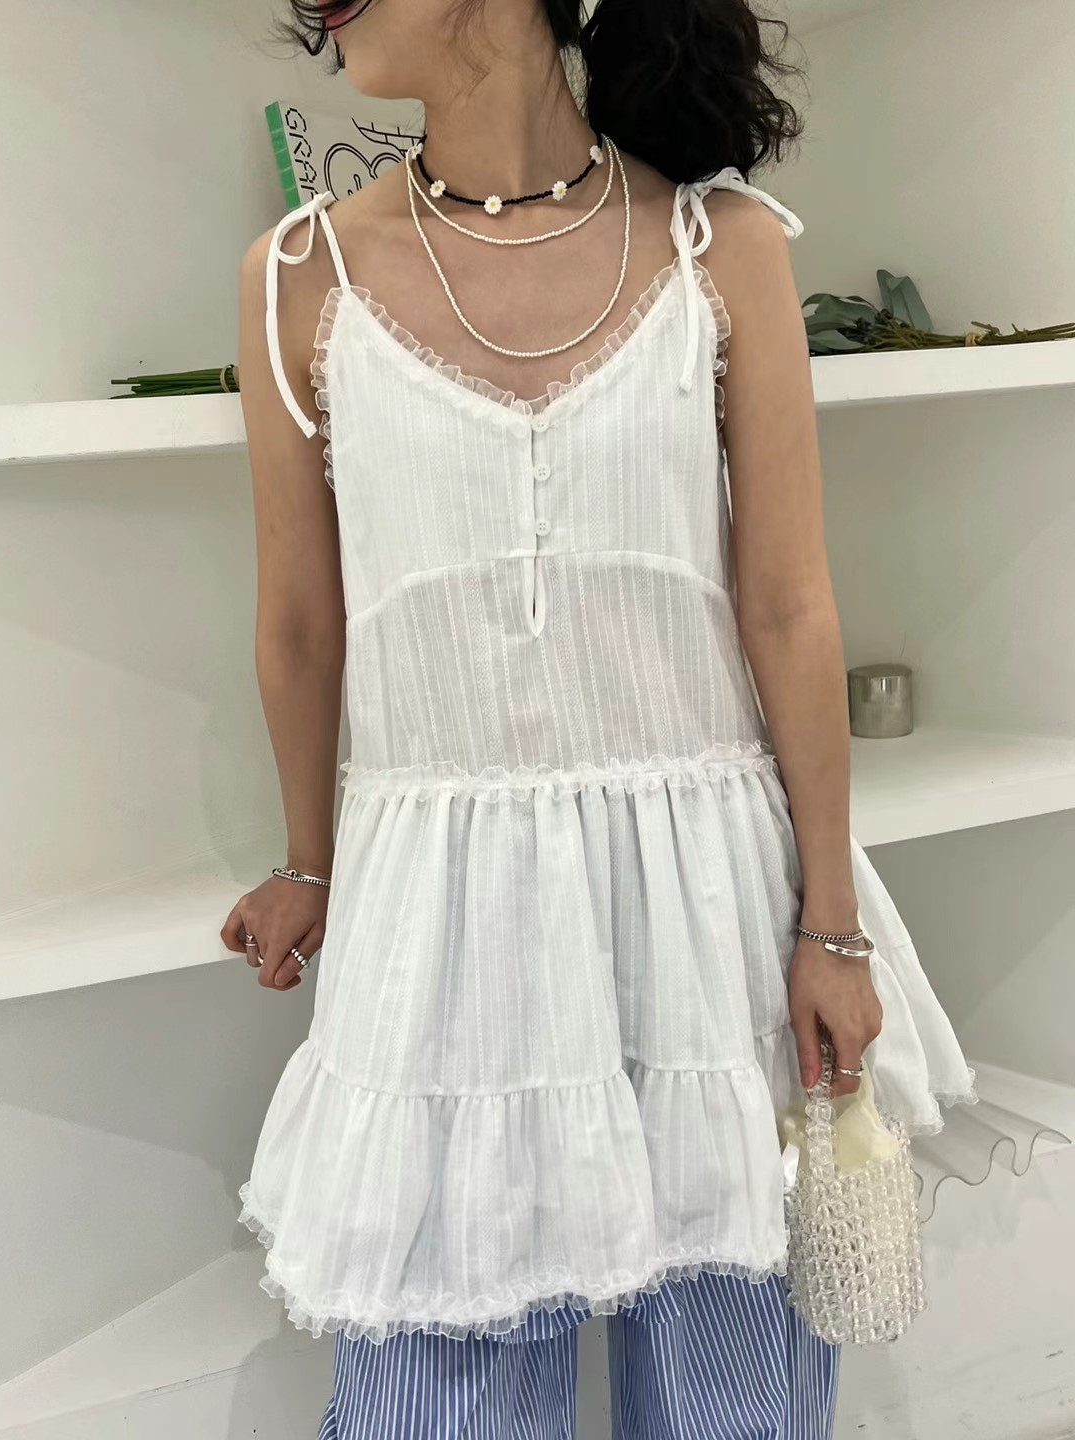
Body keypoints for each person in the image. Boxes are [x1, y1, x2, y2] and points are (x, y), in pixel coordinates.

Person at [221, 0, 979, 1434]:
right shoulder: (300, 278)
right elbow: (303, 626)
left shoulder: (720, 248)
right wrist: (309, 861)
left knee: (732, 1406)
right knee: (429, 1406)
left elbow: (789, 610)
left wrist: (831, 927)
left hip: (713, 921)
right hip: (441, 933)